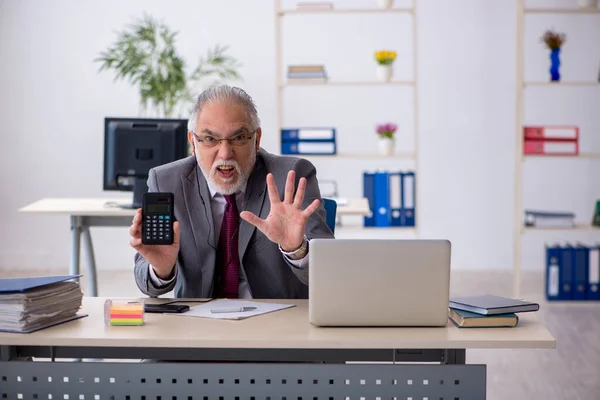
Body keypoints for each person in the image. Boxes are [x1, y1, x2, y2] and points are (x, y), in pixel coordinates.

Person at [129, 84, 334, 299]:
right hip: (197, 324)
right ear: (193, 142)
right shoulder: (167, 182)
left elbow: (330, 274)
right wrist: (161, 269)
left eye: (238, 138)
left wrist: (297, 249)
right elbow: (147, 285)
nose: (225, 153)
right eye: (210, 139)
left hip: (276, 324)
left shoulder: (291, 177)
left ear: (257, 140)